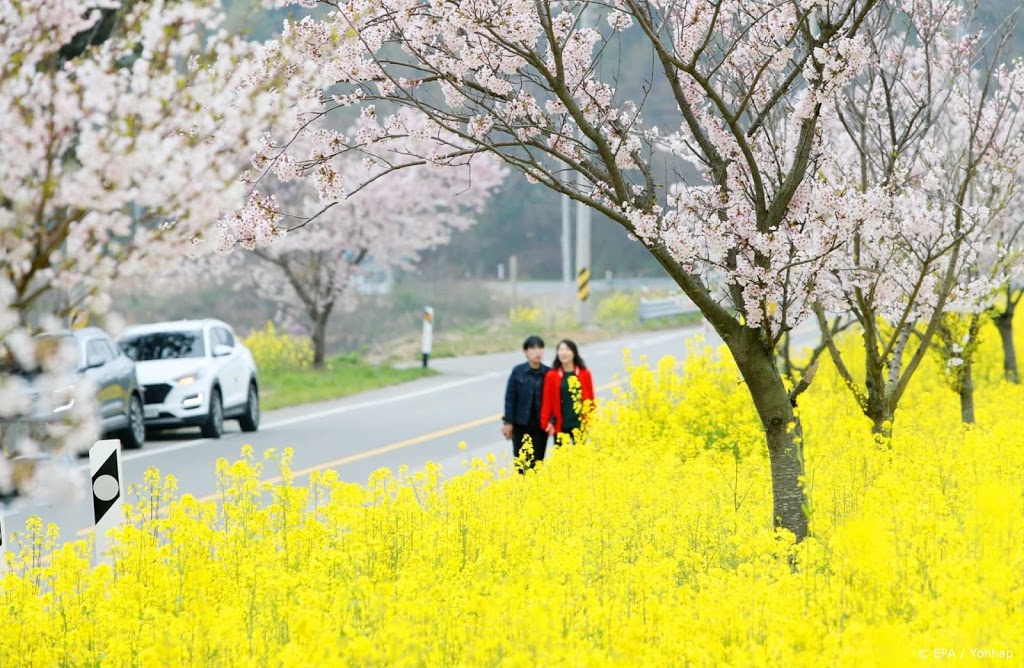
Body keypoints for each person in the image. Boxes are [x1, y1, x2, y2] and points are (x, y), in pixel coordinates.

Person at [501, 335, 550, 472]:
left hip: (540, 427)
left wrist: (551, 421)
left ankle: (534, 491)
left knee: (537, 463)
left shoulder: (548, 373)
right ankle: (523, 492)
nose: (537, 352)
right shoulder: (518, 371)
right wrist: (508, 423)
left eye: (540, 348)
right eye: (533, 348)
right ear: (525, 352)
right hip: (521, 424)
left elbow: (552, 400)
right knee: (521, 464)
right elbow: (510, 398)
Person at [541, 339, 595, 446]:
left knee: (581, 457)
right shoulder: (551, 375)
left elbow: (590, 399)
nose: (563, 353)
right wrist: (546, 422)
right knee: (562, 459)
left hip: (580, 424)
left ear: (574, 353)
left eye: (567, 349)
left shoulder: (585, 373)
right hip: (560, 425)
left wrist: (591, 421)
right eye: (560, 350)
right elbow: (547, 401)